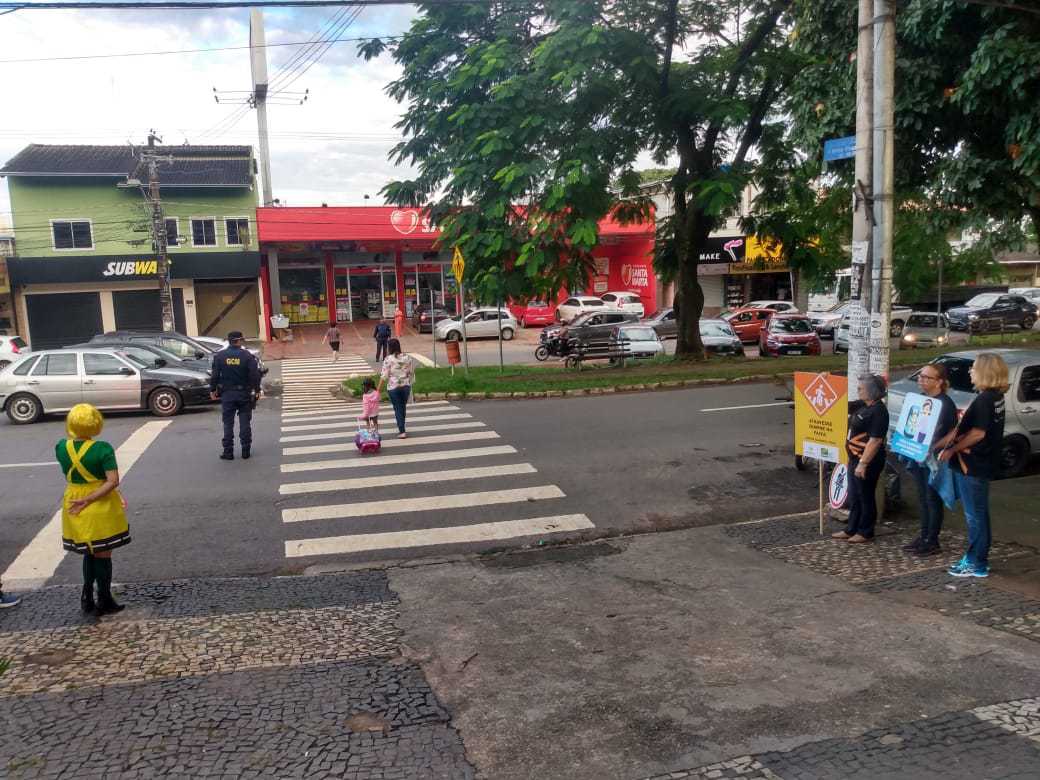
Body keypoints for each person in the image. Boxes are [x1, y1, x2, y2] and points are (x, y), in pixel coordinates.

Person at [939, 352, 1009, 578]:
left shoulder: (984, 400)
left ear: (985, 371)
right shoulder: (996, 397)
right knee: (979, 514)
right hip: (983, 464)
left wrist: (952, 449)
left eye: (974, 368)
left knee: (974, 516)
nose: (970, 371)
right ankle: (976, 558)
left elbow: (978, 433)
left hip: (973, 465)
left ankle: (976, 562)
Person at [58, 404, 130, 615]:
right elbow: (112, 481)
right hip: (99, 503)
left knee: (88, 551)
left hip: (73, 501)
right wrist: (89, 499)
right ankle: (104, 599)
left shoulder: (61, 447)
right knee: (103, 553)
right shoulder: (102, 449)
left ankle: (87, 596)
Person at [901, 364, 958, 557]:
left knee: (932, 499)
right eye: (920, 376)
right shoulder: (922, 399)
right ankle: (924, 536)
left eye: (926, 377)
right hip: (919, 456)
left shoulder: (945, 404)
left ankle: (932, 540)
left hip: (934, 460)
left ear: (939, 382)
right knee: (923, 498)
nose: (921, 380)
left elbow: (953, 433)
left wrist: (933, 447)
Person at [833, 374, 889, 544]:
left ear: (871, 391)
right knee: (854, 495)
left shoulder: (878, 411)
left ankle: (866, 531)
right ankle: (851, 528)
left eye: (860, 388)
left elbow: (875, 440)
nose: (857, 390)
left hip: (867, 461)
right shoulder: (863, 405)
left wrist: (863, 464)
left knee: (865, 495)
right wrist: (827, 380)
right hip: (854, 458)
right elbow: (841, 405)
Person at [210, 330, 262, 460]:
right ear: (239, 341)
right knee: (245, 422)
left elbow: (215, 375)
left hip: (227, 394)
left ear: (229, 341)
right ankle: (245, 450)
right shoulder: (247, 356)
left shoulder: (220, 356)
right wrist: (257, 390)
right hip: (244, 394)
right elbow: (255, 375)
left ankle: (228, 452)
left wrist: (212, 390)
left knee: (228, 424)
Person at [377, 338, 416, 439]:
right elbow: (411, 372)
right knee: (402, 407)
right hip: (406, 386)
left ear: (389, 348)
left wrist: (377, 390)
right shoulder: (407, 357)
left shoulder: (388, 359)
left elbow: (384, 376)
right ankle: (402, 426)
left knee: (398, 408)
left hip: (393, 387)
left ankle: (402, 431)